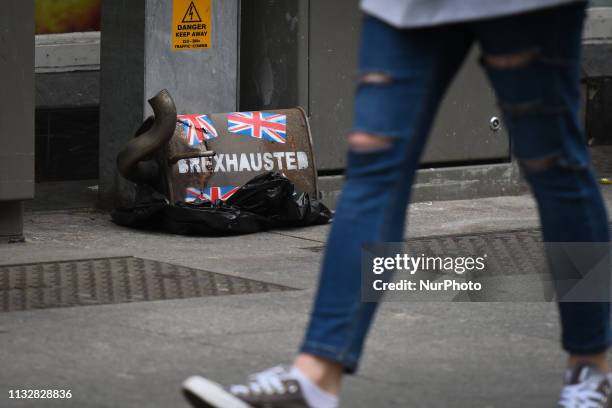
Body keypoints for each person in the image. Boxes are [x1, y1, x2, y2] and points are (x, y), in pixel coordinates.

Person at [181, 1, 612, 407]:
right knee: (373, 173)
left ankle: (591, 367)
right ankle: (315, 377)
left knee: (556, 168)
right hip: (405, 10)